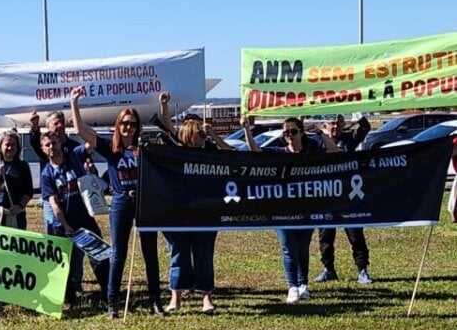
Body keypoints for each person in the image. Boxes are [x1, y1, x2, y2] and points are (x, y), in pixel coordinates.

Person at [70, 87, 162, 319]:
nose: (128, 127)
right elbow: (81, 130)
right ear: (118, 126)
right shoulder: (112, 149)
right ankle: (112, 303)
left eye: (132, 123)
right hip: (121, 202)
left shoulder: (143, 150)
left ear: (137, 127)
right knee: (118, 253)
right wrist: (75, 102)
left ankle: (155, 301)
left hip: (143, 203)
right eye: (124, 123)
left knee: (150, 252)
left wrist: (164, 108)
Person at [242, 116, 338, 304]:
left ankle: (303, 285)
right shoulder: (278, 153)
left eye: (293, 131)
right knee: (288, 248)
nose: (290, 136)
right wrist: (246, 129)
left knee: (302, 249)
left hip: (306, 209)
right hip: (281, 210)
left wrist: (319, 131)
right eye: (286, 132)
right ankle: (292, 286)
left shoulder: (312, 151)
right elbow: (256, 151)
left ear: (301, 132)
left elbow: (334, 151)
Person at [158, 93, 232, 314]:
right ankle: (176, 296)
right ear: (188, 135)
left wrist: (214, 136)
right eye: (197, 133)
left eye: (201, 133)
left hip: (206, 213)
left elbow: (231, 155)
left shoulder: (210, 152)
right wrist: (164, 105)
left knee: (204, 254)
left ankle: (206, 297)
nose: (200, 137)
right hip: (180, 212)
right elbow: (167, 127)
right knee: (179, 253)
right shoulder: (178, 153)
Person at [38, 128, 109, 307]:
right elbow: (54, 203)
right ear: (43, 149)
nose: (52, 147)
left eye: (54, 143)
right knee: (63, 264)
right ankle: (70, 299)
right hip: (62, 225)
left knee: (99, 256)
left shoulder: (74, 156)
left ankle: (109, 294)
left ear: (60, 143)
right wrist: (66, 225)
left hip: (84, 219)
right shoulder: (46, 174)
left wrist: (81, 125)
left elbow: (92, 143)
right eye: (47, 145)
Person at [315, 114, 373, 285]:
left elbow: (365, 128)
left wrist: (356, 111)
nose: (335, 126)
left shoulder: (349, 139)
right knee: (326, 235)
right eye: (332, 123)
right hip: (326, 196)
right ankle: (328, 269)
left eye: (339, 123)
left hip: (348, 196)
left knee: (355, 234)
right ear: (325, 124)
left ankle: (362, 270)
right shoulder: (318, 142)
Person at [0, 131, 33, 230]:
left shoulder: (23, 165)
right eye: (7, 145)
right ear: (0, 146)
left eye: (13, 145)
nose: (10, 148)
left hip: (17, 214)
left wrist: (20, 206)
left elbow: (28, 191)